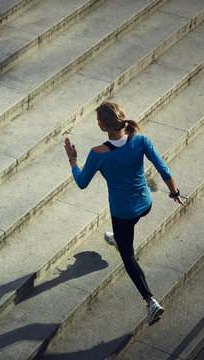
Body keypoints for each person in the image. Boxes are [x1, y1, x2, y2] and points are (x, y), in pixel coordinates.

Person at [64, 101, 185, 326]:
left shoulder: (98, 153)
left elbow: (81, 182)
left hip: (123, 212)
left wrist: (72, 160)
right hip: (145, 204)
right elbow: (163, 169)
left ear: (103, 126)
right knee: (123, 233)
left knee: (128, 256)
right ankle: (118, 238)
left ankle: (150, 302)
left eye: (98, 120)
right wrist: (174, 193)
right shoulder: (140, 141)